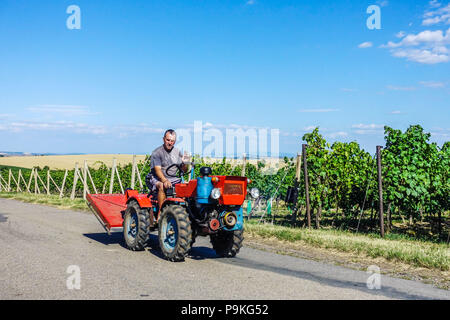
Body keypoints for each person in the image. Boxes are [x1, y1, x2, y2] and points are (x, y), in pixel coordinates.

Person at [146, 129, 190, 210]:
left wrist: (185, 163)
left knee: (186, 187)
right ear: (163, 139)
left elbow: (184, 170)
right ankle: (161, 212)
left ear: (175, 141)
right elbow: (157, 170)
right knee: (162, 186)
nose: (170, 143)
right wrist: (165, 180)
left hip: (173, 178)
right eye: (168, 140)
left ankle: (185, 210)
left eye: (172, 141)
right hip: (156, 178)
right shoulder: (157, 152)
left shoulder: (177, 152)